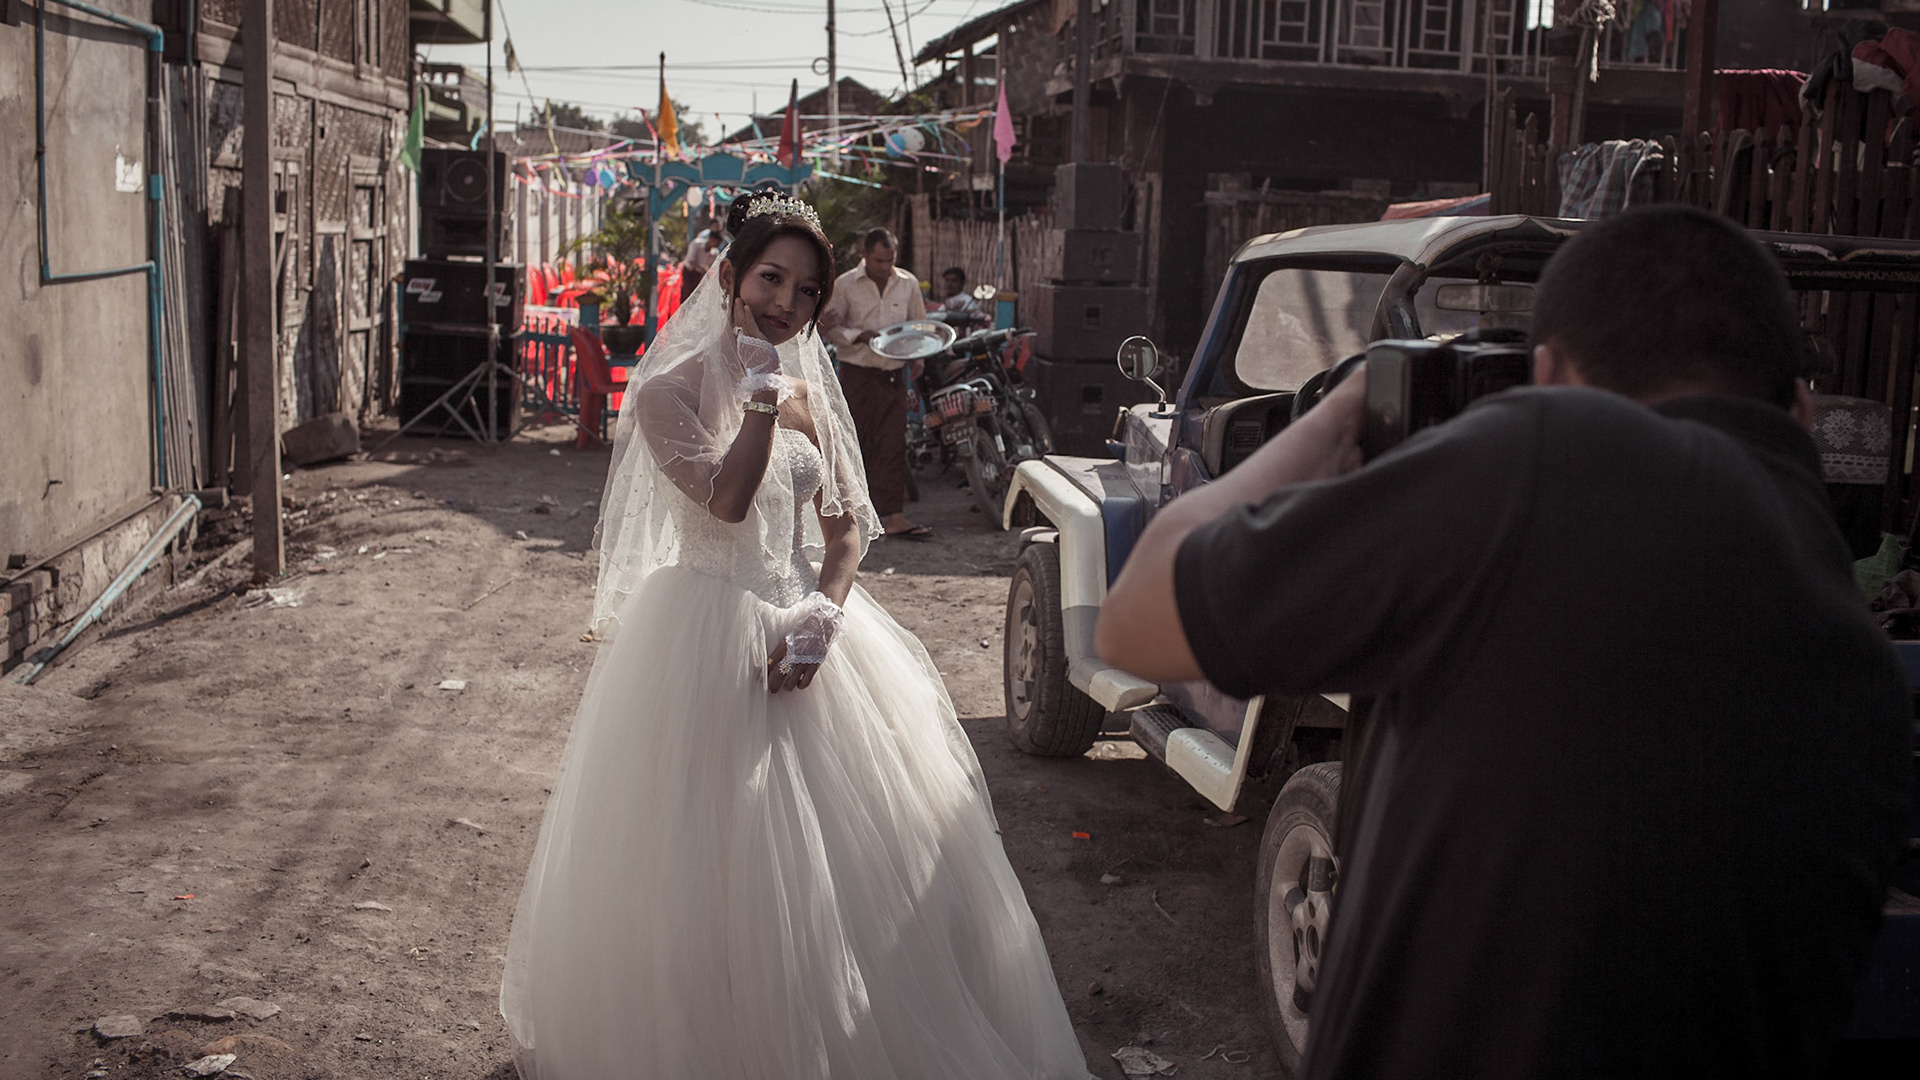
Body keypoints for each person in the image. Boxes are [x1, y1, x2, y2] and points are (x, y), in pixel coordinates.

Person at [1096, 206, 1911, 1079]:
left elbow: (1139, 618)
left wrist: (1344, 417)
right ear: (1801, 405)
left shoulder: (1544, 458)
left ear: (1549, 375)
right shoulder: (1858, 653)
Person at [500, 191, 1090, 1080]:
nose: (785, 302)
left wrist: (824, 612)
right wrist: (764, 405)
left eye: (807, 291)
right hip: (699, 634)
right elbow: (729, 501)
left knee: (850, 876)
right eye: (771, 278)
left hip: (802, 629)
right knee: (705, 866)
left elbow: (846, 528)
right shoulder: (666, 394)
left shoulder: (815, 394)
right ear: (730, 277)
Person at [821, 227, 934, 540]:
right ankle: (853, 516)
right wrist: (858, 335)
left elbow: (917, 325)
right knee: (855, 442)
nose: (885, 266)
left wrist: (918, 358)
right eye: (879, 261)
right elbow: (831, 326)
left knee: (893, 444)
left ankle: (893, 515)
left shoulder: (908, 283)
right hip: (857, 373)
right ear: (865, 255)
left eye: (890, 260)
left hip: (893, 374)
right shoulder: (844, 284)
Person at [936, 265, 992, 332]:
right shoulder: (945, 304)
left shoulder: (968, 302)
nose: (949, 284)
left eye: (954, 281)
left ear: (962, 283)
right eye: (947, 280)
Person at [679, 225, 720, 295]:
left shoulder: (715, 253)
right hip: (689, 272)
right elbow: (691, 260)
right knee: (687, 292)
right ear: (711, 239)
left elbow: (712, 267)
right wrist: (702, 269)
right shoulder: (696, 244)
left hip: (700, 275)